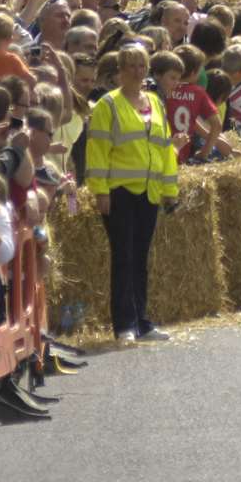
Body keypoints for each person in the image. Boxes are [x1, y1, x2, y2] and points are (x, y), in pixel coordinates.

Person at [85, 43, 178, 344]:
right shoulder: (107, 105)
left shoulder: (154, 101)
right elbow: (97, 150)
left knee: (140, 258)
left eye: (142, 66)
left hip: (149, 192)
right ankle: (124, 323)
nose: (137, 72)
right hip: (119, 192)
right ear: (119, 72)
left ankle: (142, 321)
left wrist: (169, 188)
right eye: (131, 66)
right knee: (122, 257)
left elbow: (164, 149)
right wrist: (100, 191)